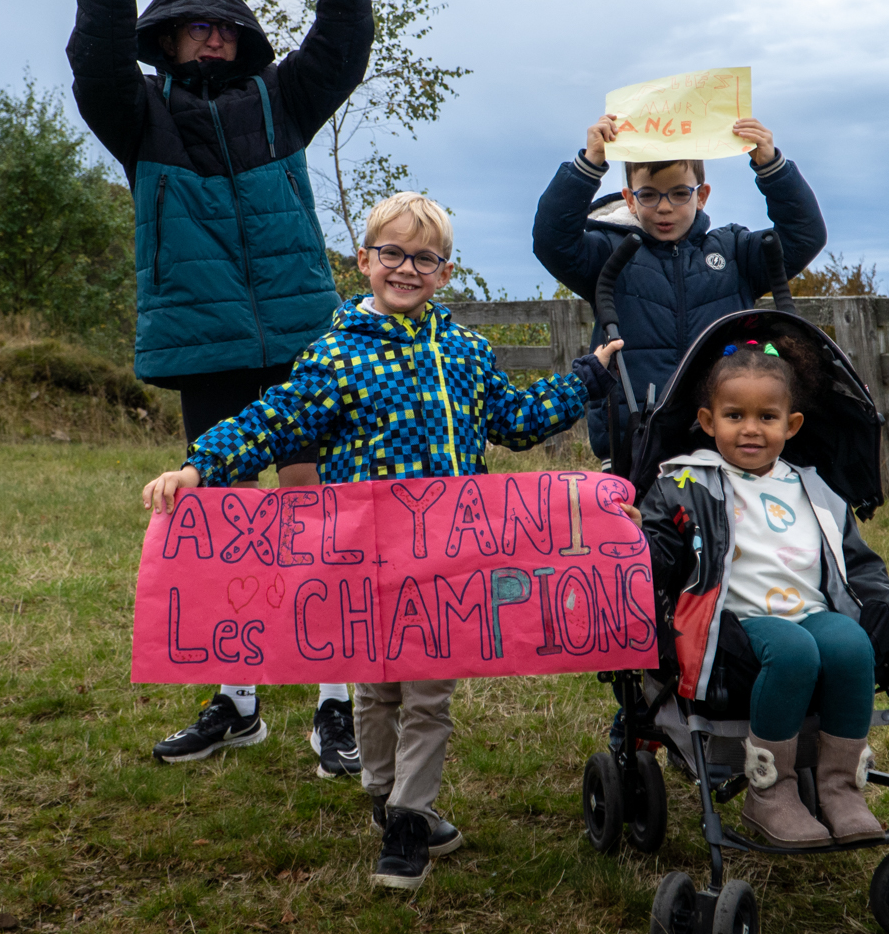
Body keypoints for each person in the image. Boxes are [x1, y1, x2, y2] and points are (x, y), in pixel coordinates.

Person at [141, 191, 625, 891]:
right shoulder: (334, 356)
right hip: (362, 562)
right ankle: (383, 790)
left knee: (429, 696)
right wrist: (198, 468)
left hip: (449, 562)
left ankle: (407, 819)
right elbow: (272, 421)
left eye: (424, 258)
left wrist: (587, 379)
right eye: (392, 253)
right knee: (374, 691)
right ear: (365, 261)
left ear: (445, 272)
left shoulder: (464, 352)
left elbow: (515, 421)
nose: (407, 268)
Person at [67, 0, 373, 775]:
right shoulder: (138, 116)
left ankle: (336, 705)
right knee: (224, 527)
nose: (211, 38)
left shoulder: (283, 102)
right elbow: (93, 55)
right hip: (207, 350)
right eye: (195, 26)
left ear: (243, 39)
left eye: (224, 26)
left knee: (315, 517)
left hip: (302, 347)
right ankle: (237, 704)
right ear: (167, 38)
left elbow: (345, 37)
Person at [638, 335, 889, 846]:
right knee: (794, 650)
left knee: (852, 645)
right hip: (736, 624)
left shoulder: (816, 490)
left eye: (767, 417)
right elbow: (660, 561)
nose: (750, 429)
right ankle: (770, 791)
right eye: (734, 416)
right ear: (708, 421)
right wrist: (633, 538)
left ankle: (839, 787)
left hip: (811, 611)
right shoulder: (685, 484)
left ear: (791, 425)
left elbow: (861, 569)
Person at [531, 113, 827, 464]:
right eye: (649, 195)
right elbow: (552, 243)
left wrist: (772, 167)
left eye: (679, 193)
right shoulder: (610, 255)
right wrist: (588, 165)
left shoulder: (735, 252)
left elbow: (803, 237)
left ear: (702, 196)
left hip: (725, 448)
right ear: (629, 199)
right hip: (633, 449)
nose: (664, 207)